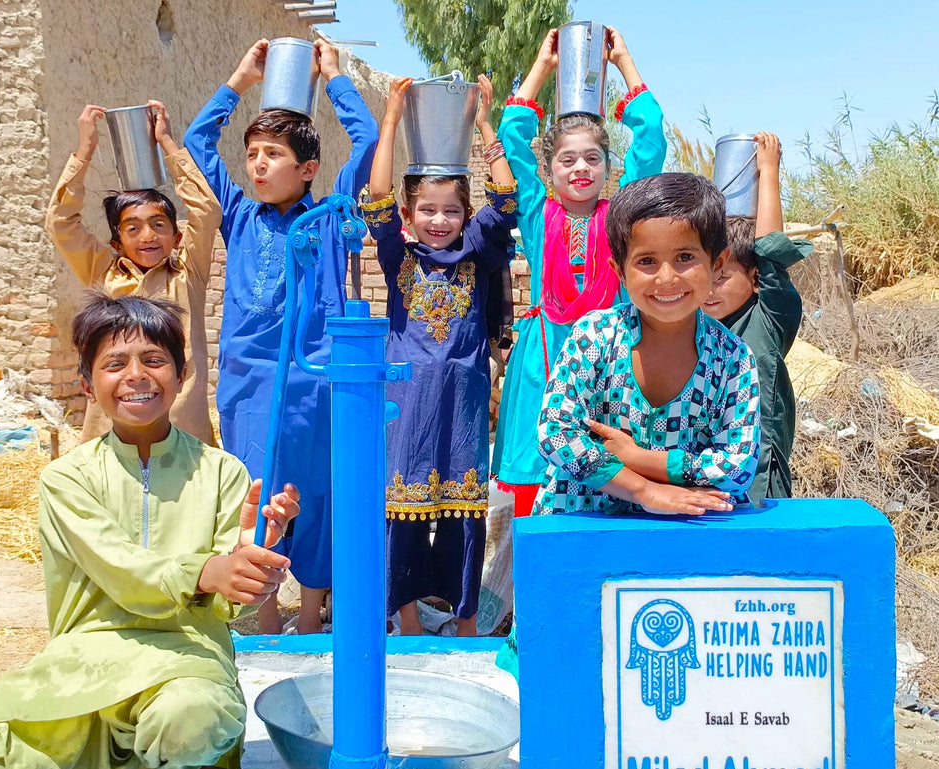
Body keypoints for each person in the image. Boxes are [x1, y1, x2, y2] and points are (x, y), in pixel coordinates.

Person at [0, 295, 299, 769]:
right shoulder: (66, 479)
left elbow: (226, 602)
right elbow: (123, 571)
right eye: (114, 364)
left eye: (154, 360)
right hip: (88, 656)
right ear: (87, 384)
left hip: (187, 656)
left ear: (181, 375)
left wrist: (255, 557)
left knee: (189, 719)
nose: (136, 376)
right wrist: (206, 570)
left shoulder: (222, 473)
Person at [184, 39, 378, 634]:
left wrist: (335, 79)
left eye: (273, 154)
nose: (259, 165)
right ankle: (266, 616)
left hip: (312, 379)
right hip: (247, 382)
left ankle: (314, 614)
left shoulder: (330, 217)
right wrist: (241, 79)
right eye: (252, 154)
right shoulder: (239, 214)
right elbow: (196, 142)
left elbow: (367, 139)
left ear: (309, 169)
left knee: (315, 490)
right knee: (257, 489)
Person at [360, 74, 517, 637]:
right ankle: (406, 619)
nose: (439, 221)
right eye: (427, 209)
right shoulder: (397, 253)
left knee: (463, 513)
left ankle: (466, 622)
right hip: (408, 401)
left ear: (464, 215)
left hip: (465, 399)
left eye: (451, 211)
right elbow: (375, 196)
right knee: (403, 513)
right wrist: (392, 119)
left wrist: (482, 122)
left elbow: (505, 198)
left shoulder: (477, 250)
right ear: (409, 214)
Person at [490, 27, 668, 517]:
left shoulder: (623, 216)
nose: (580, 168)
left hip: (609, 357)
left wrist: (624, 62)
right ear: (549, 171)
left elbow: (651, 140)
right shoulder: (536, 212)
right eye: (567, 160)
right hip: (543, 356)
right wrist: (543, 67)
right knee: (535, 475)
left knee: (609, 471)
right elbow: (511, 136)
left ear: (610, 165)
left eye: (593, 158)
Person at [536, 171, 760, 515]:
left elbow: (737, 466)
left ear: (716, 264)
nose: (666, 278)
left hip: (685, 532)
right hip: (582, 524)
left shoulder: (731, 358)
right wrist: (644, 490)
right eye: (647, 261)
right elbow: (556, 432)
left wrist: (640, 459)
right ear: (620, 271)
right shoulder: (595, 336)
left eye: (685, 257)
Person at [45, 101, 220, 445]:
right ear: (116, 242)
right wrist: (85, 150)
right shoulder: (103, 272)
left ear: (177, 236)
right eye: (133, 228)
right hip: (112, 429)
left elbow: (207, 210)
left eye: (158, 224)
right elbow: (61, 223)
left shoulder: (187, 274)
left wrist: (167, 143)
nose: (148, 236)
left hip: (182, 428)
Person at [701, 132, 812, 501]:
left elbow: (767, 251)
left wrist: (768, 171)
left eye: (722, 278)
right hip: (701, 474)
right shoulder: (690, 326)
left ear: (754, 279)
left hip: (761, 478)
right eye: (705, 278)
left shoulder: (768, 319)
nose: (709, 291)